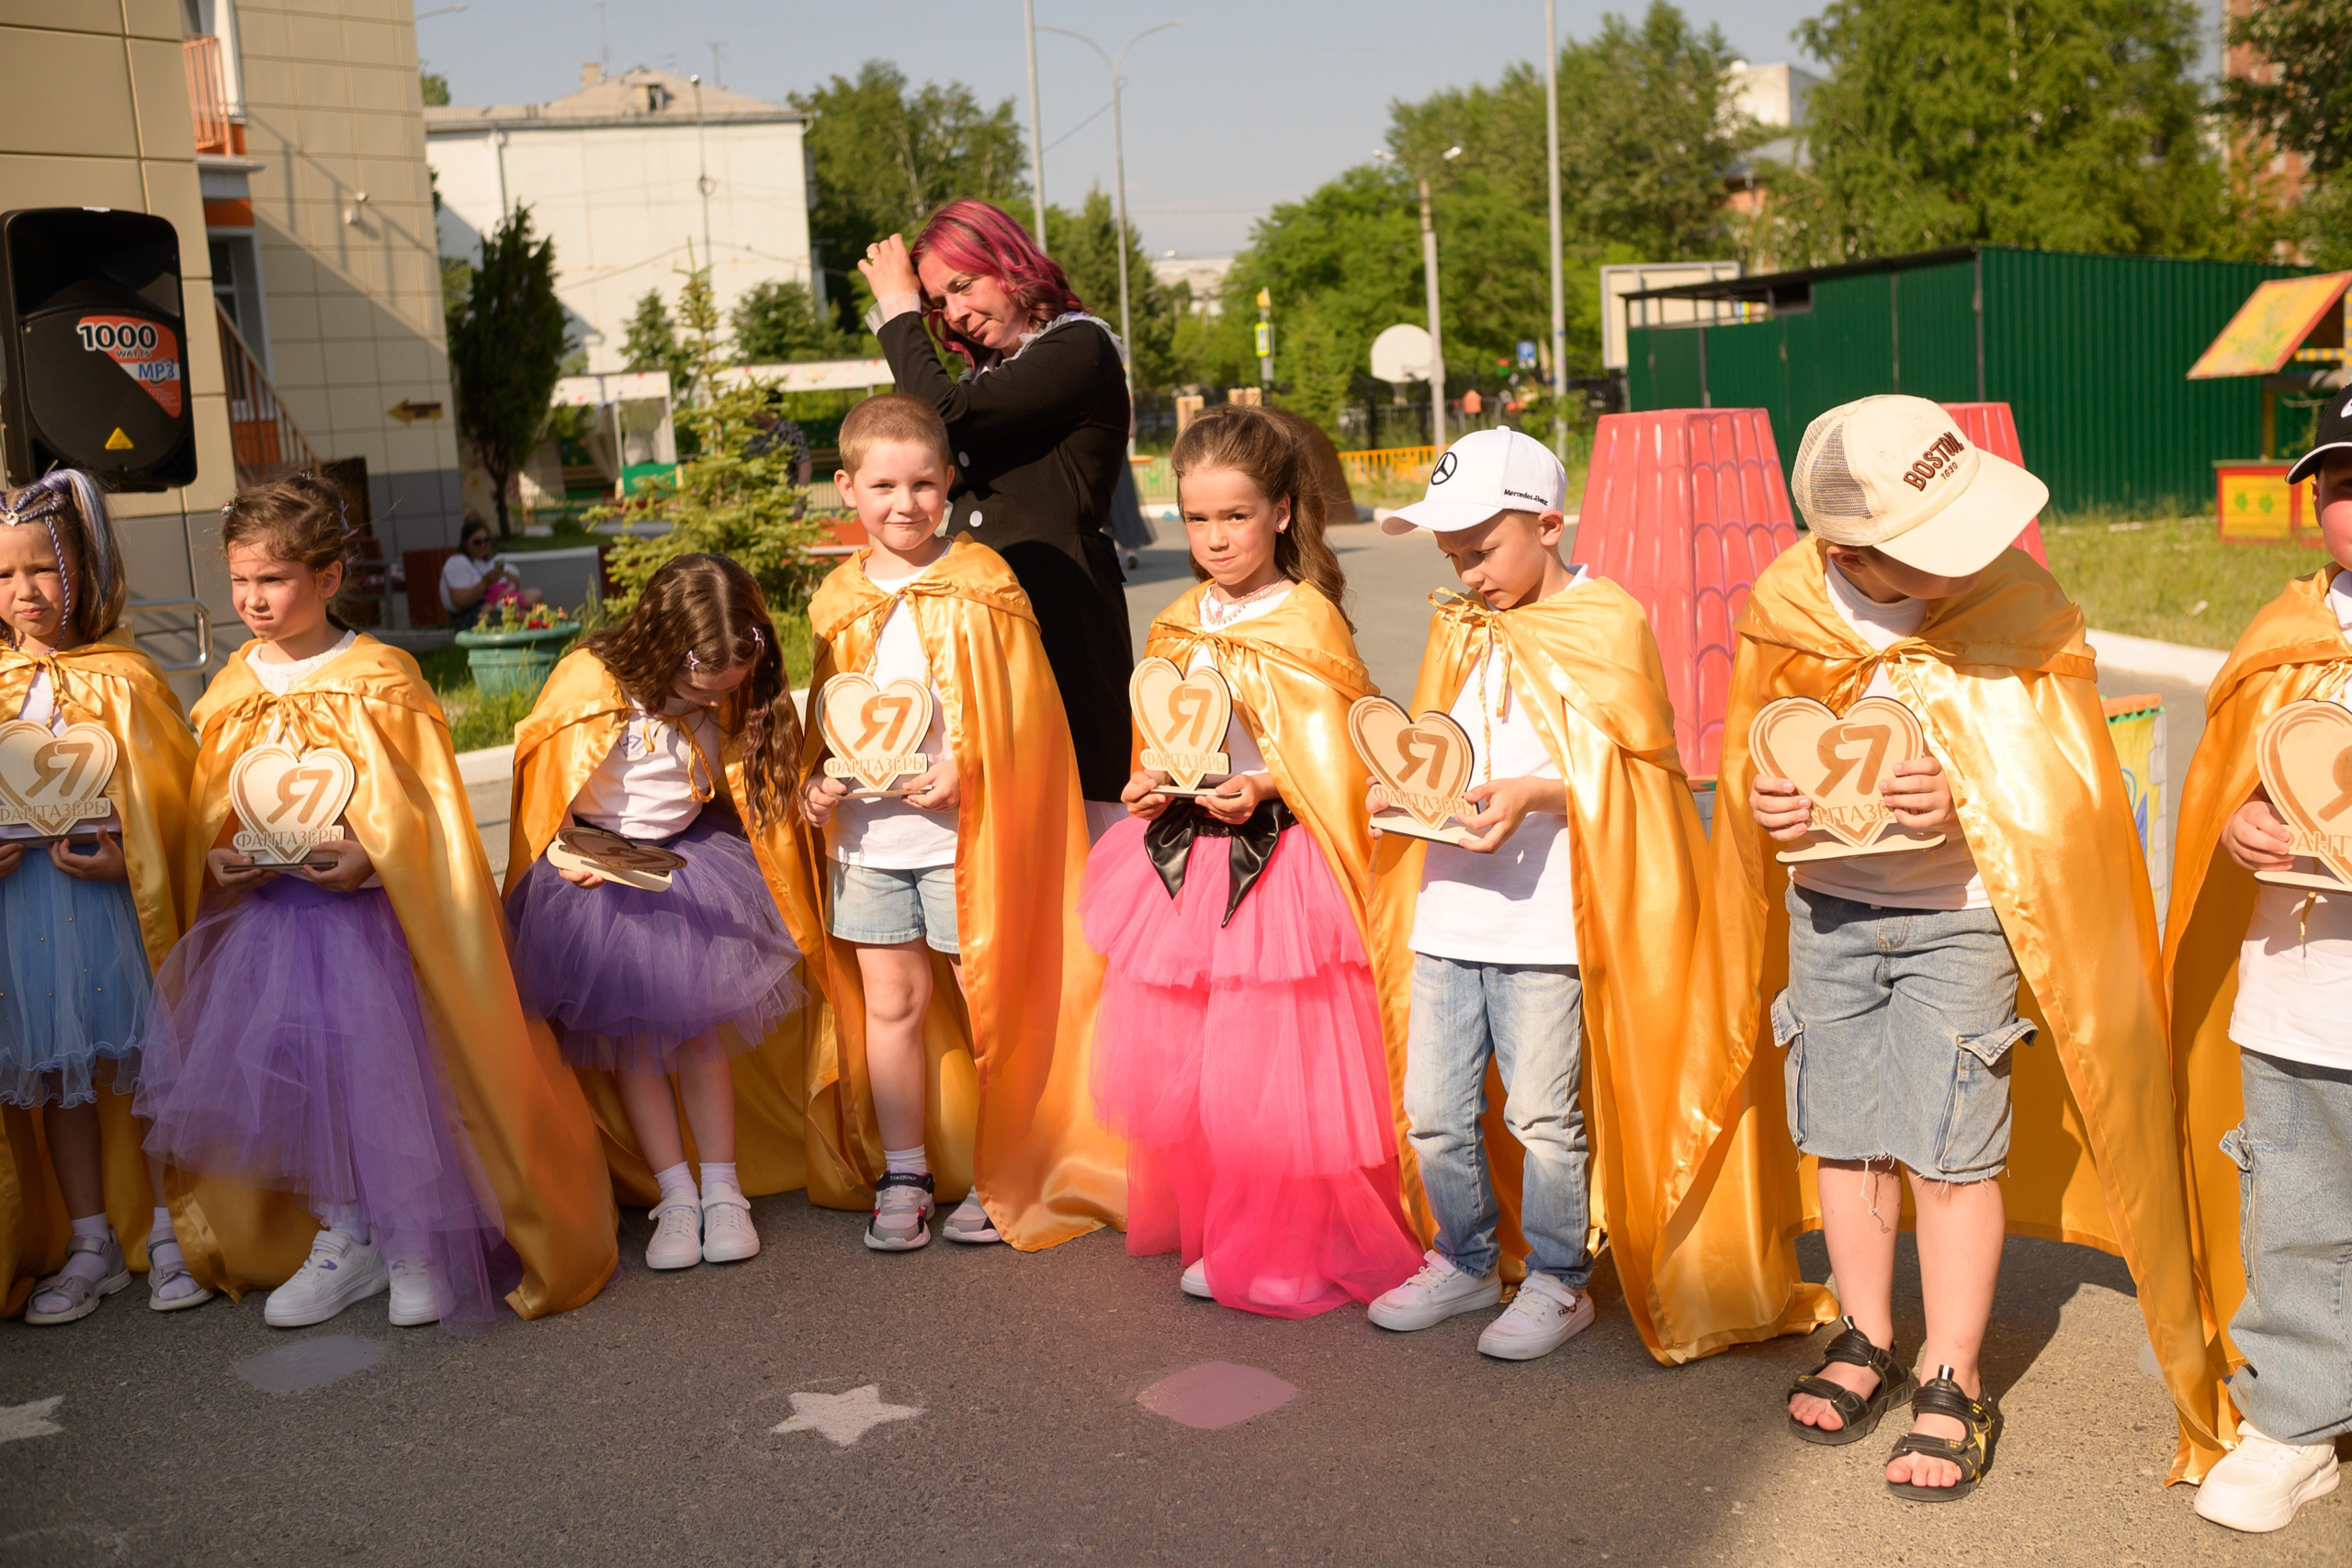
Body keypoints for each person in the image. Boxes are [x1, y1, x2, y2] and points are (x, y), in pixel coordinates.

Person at [1676, 395, 2231, 1493]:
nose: (1967, 562)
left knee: (1947, 1146)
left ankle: (1954, 1373)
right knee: (1843, 1136)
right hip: (1828, 915)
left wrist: (1964, 795)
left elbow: (2064, 784)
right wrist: (1767, 809)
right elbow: (1752, 759)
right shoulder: (1787, 605)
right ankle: (1868, 1336)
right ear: (1844, 551)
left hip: (1961, 922)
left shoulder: (2015, 602)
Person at [138, 475, 616, 1330]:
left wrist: (371, 858)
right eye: (240, 581)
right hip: (269, 933)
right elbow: (209, 812)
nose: (253, 600)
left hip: (372, 933)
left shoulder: (381, 678)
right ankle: (347, 1233)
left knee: (390, 1084)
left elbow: (429, 817)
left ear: (326, 578)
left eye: (273, 581)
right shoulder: (230, 691)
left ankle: (412, 1240)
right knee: (313, 1086)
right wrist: (223, 858)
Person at [1361, 429, 1713, 1362]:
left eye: (1480, 551)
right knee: (1435, 1108)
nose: (1468, 574)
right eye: (1451, 557)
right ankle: (1466, 1259)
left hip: (1545, 926)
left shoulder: (1604, 620)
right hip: (1449, 910)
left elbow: (1639, 775)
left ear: (1548, 523)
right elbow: (1438, 745)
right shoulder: (1464, 623)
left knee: (1542, 1116)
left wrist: (1538, 796)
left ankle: (1559, 1279)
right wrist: (1398, 795)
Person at [1081, 402, 1422, 1318]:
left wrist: (1269, 784)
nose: (1216, 537)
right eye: (1197, 519)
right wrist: (1150, 781)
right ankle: (1227, 1227)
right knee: (1203, 1067)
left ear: (1279, 511)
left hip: (1281, 874)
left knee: (1278, 1071)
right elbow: (1166, 737)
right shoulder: (1179, 620)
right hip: (1192, 868)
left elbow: (1341, 756)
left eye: (1235, 516)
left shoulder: (1305, 620)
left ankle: (1290, 1240)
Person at [801, 394, 1117, 1252]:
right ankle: (904, 1168)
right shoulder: (836, 598)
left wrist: (969, 765)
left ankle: (1000, 1168)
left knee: (991, 1004)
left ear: (948, 484)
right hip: (868, 845)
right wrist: (815, 788)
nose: (904, 504)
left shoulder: (984, 581)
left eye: (922, 485)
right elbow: (828, 720)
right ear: (846, 489)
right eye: (882, 486)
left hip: (964, 844)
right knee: (892, 1006)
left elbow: (1028, 713)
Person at [504, 554, 808, 1271]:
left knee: (700, 1036)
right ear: (659, 645)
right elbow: (544, 784)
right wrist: (559, 853)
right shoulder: (590, 681)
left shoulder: (735, 683)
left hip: (690, 869)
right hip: (595, 880)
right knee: (635, 1048)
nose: (706, 700)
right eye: (692, 687)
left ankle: (722, 1186)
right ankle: (673, 1192)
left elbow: (742, 780)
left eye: (722, 692)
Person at [2161, 403, 2352, 1533]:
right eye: (2336, 482)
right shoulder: (2279, 643)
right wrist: (2235, 827)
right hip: (2299, 995)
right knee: (2296, 1215)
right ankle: (2293, 1421)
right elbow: (2224, 794)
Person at [0, 472, 208, 1324]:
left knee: (150, 1069)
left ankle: (168, 1228)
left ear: (84, 569)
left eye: (41, 572)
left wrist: (133, 859)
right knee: (58, 1080)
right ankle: (90, 1238)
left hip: (116, 912)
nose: (24, 594)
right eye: (4, 576)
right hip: (23, 917)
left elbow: (176, 806)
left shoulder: (130, 679)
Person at [859, 201, 1135, 838]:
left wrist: (899, 309)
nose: (953, 313)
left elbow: (942, 414)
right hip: (989, 612)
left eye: (962, 285)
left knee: (1084, 822)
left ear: (1010, 264)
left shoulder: (1078, 342)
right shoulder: (992, 368)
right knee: (1009, 822)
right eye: (936, 302)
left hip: (1061, 608)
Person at [440, 515, 520, 631]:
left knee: (534, 597)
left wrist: (512, 581)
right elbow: (460, 602)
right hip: (467, 617)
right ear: (465, 543)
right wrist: (485, 582)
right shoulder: (458, 563)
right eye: (477, 542)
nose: (483, 545)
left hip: (492, 603)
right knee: (515, 615)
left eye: (486, 541)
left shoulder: (487, 561)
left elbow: (509, 586)